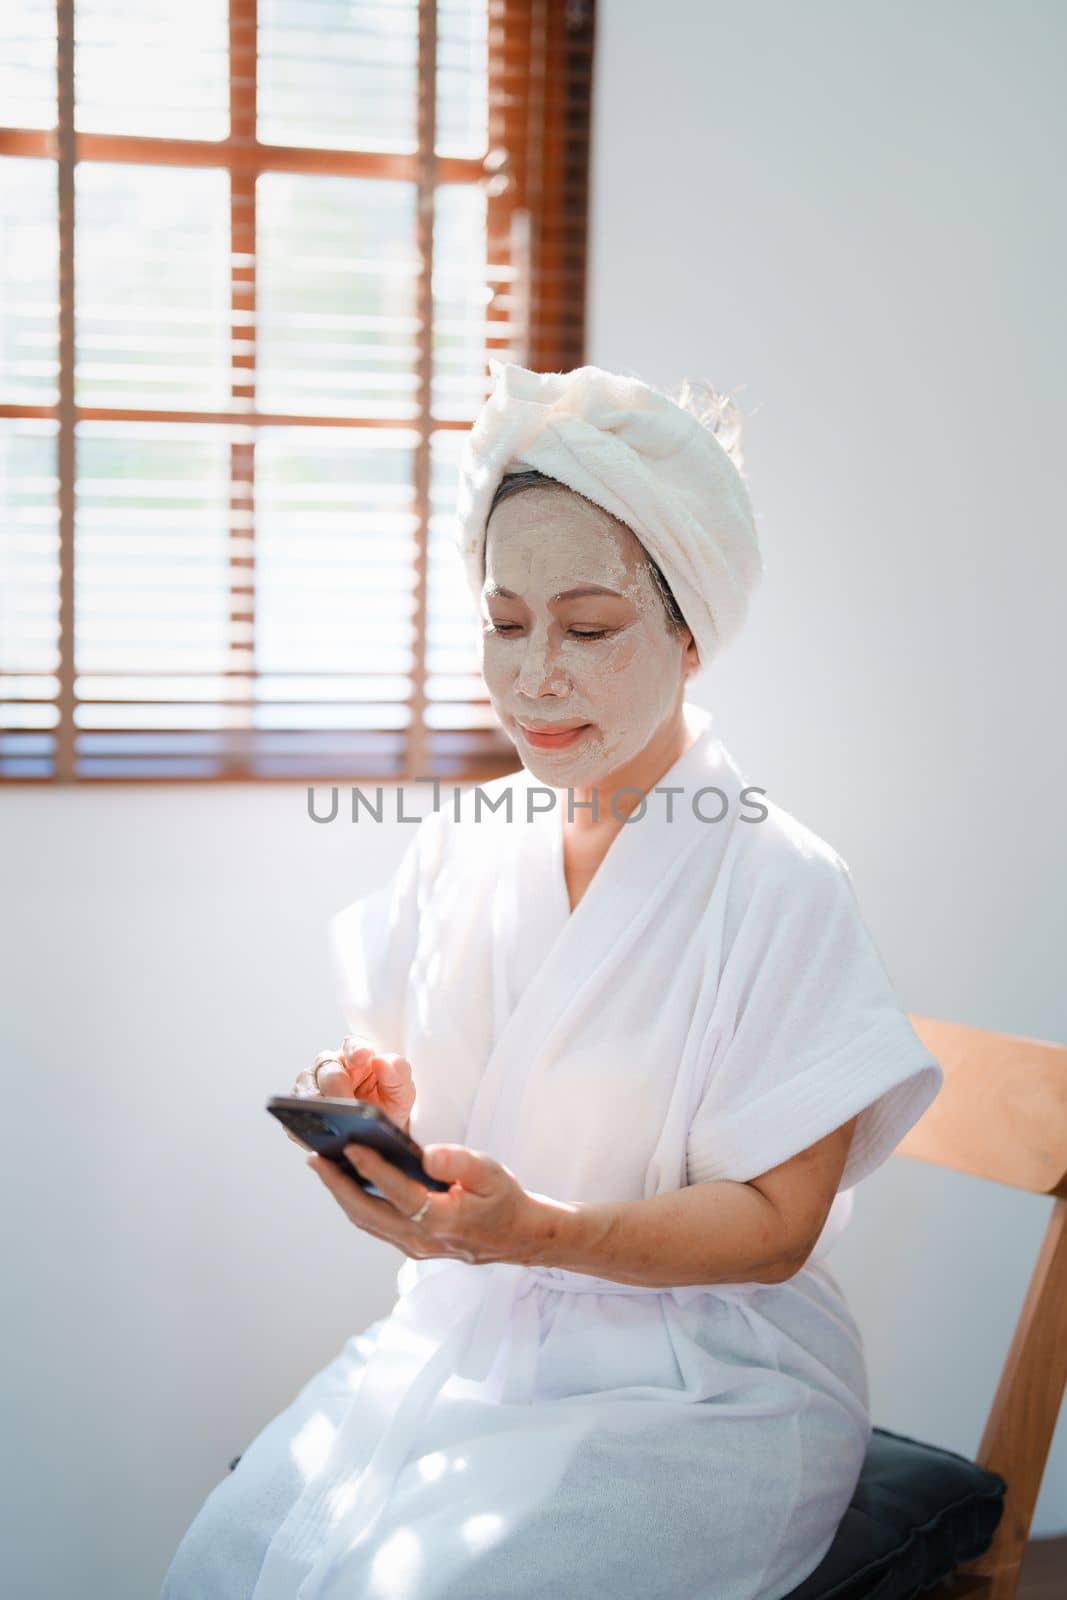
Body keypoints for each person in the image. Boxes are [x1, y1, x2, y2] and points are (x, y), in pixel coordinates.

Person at [162, 362, 942, 1600]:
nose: (532, 675)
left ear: (688, 633)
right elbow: (415, 1081)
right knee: (222, 1565)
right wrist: (371, 1112)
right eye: (503, 619)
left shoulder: (778, 883)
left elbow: (778, 1227)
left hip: (703, 1389)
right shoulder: (465, 844)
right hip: (467, 1346)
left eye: (586, 628)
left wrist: (538, 1233)